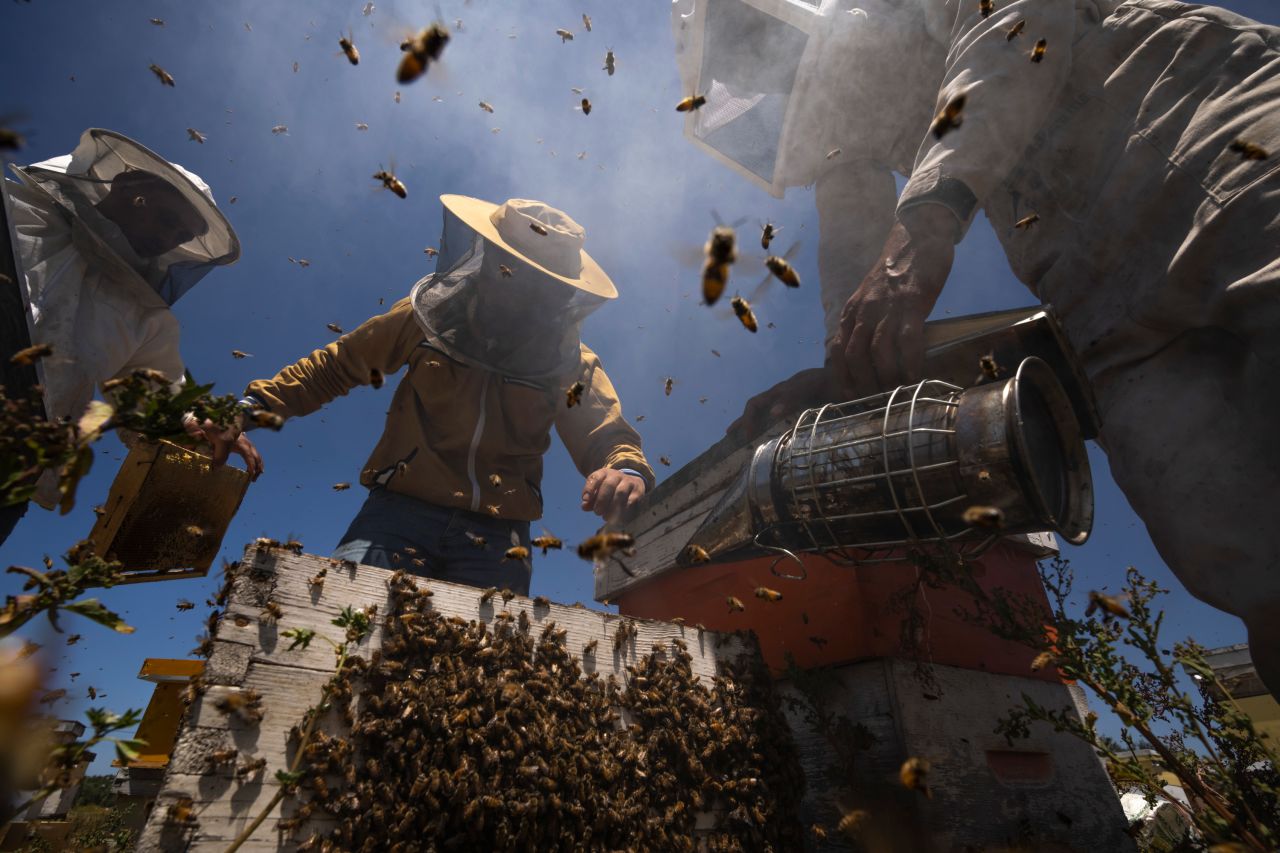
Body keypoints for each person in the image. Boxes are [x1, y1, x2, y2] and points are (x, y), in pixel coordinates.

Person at [672, 0, 1280, 695]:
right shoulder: (840, 123)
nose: (775, 87)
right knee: (1236, 546)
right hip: (1084, 286)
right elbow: (854, 236)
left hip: (1201, 135)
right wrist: (845, 372)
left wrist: (928, 219)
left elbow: (1017, 18)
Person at [240, 195, 655, 595]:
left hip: (499, 536)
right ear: (487, 260)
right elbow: (335, 367)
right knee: (346, 627)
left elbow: (606, 435)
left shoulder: (571, 363)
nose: (520, 289)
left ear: (559, 293)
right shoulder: (421, 317)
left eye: (538, 283)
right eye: (512, 270)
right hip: (398, 513)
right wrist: (248, 410)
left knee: (488, 661)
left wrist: (626, 471)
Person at [0, 128, 261, 546]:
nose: (168, 238)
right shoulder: (14, 211)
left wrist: (199, 421)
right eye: (166, 218)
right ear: (124, 186)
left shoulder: (144, 318)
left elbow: (157, 397)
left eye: (181, 235)